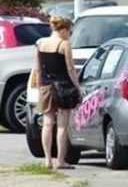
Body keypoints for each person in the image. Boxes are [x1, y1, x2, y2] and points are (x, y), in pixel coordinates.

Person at [33, 15, 81, 169]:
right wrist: (77, 86)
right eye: (70, 32)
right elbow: (70, 68)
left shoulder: (41, 44)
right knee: (62, 125)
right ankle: (60, 161)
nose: (70, 35)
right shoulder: (64, 44)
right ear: (64, 30)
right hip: (64, 86)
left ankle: (47, 159)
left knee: (47, 123)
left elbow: (38, 69)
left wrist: (41, 87)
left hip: (46, 87)